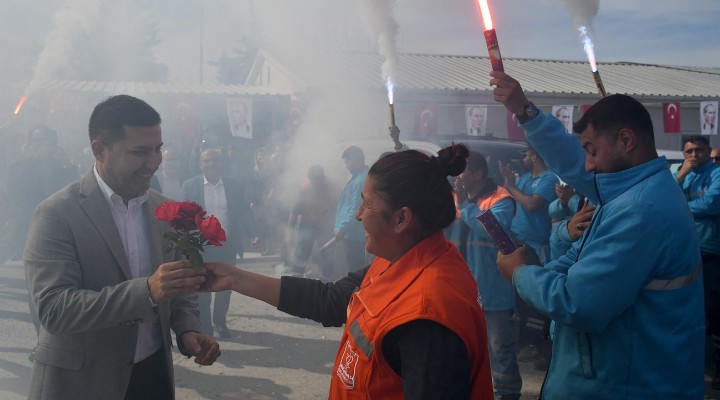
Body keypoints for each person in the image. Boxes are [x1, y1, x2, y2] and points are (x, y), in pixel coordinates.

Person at [202, 144, 494, 399]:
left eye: (367, 204)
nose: (357, 215)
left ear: (402, 218)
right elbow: (330, 299)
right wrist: (234, 278)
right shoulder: (400, 260)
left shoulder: (426, 317)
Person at [492, 71, 705, 399]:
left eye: (592, 150)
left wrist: (520, 274)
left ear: (626, 141)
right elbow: (572, 161)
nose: (588, 166)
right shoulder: (631, 190)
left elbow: (579, 304)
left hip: (625, 384)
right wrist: (525, 111)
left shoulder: (641, 209)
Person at [24, 95, 220, 400]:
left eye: (158, 149)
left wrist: (188, 330)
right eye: (140, 151)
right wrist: (147, 292)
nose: (155, 162)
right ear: (100, 150)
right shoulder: (56, 213)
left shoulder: (167, 211)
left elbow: (180, 291)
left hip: (152, 377)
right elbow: (54, 309)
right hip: (82, 384)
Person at [448, 151, 521, 400]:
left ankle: (507, 393)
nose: (458, 175)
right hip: (460, 289)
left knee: (499, 349)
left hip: (493, 289)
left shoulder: (501, 199)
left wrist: (465, 206)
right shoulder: (454, 199)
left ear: (479, 174)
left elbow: (497, 235)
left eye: (463, 170)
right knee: (463, 347)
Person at [181, 147, 259, 339]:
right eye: (206, 161)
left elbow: (243, 210)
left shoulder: (232, 185)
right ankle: (206, 326)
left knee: (226, 285)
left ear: (221, 163)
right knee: (203, 288)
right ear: (200, 165)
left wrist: (253, 233)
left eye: (214, 160)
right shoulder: (190, 186)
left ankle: (220, 321)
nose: (211, 164)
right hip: (202, 246)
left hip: (227, 244)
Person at [498, 145, 558, 368]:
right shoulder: (523, 178)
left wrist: (512, 186)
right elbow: (510, 196)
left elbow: (531, 204)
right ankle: (520, 340)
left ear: (535, 155)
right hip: (515, 238)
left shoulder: (549, 179)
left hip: (533, 244)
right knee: (516, 292)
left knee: (531, 293)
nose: (522, 158)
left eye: (525, 154)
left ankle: (534, 343)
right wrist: (508, 182)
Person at [675, 134, 720, 388]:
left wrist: (680, 205)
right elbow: (664, 194)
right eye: (689, 151)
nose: (694, 156)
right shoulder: (684, 175)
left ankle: (715, 370)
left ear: (707, 151)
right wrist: (680, 175)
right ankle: (697, 366)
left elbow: (712, 203)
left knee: (712, 313)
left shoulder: (717, 174)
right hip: (687, 252)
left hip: (712, 251)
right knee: (691, 312)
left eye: (699, 151)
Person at [286, 165, 336, 278]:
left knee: (327, 254)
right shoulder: (305, 189)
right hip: (308, 224)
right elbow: (294, 212)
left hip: (326, 225)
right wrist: (290, 233)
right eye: (314, 181)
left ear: (322, 178)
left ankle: (325, 279)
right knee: (302, 252)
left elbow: (337, 206)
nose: (317, 183)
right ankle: (296, 277)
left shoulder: (331, 187)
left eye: (319, 180)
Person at [332, 146, 369, 273]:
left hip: (354, 235)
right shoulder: (357, 178)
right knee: (354, 269)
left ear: (356, 160)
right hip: (350, 233)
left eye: (347, 162)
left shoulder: (361, 180)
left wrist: (343, 228)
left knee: (355, 271)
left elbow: (356, 210)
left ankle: (357, 292)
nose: (346, 166)